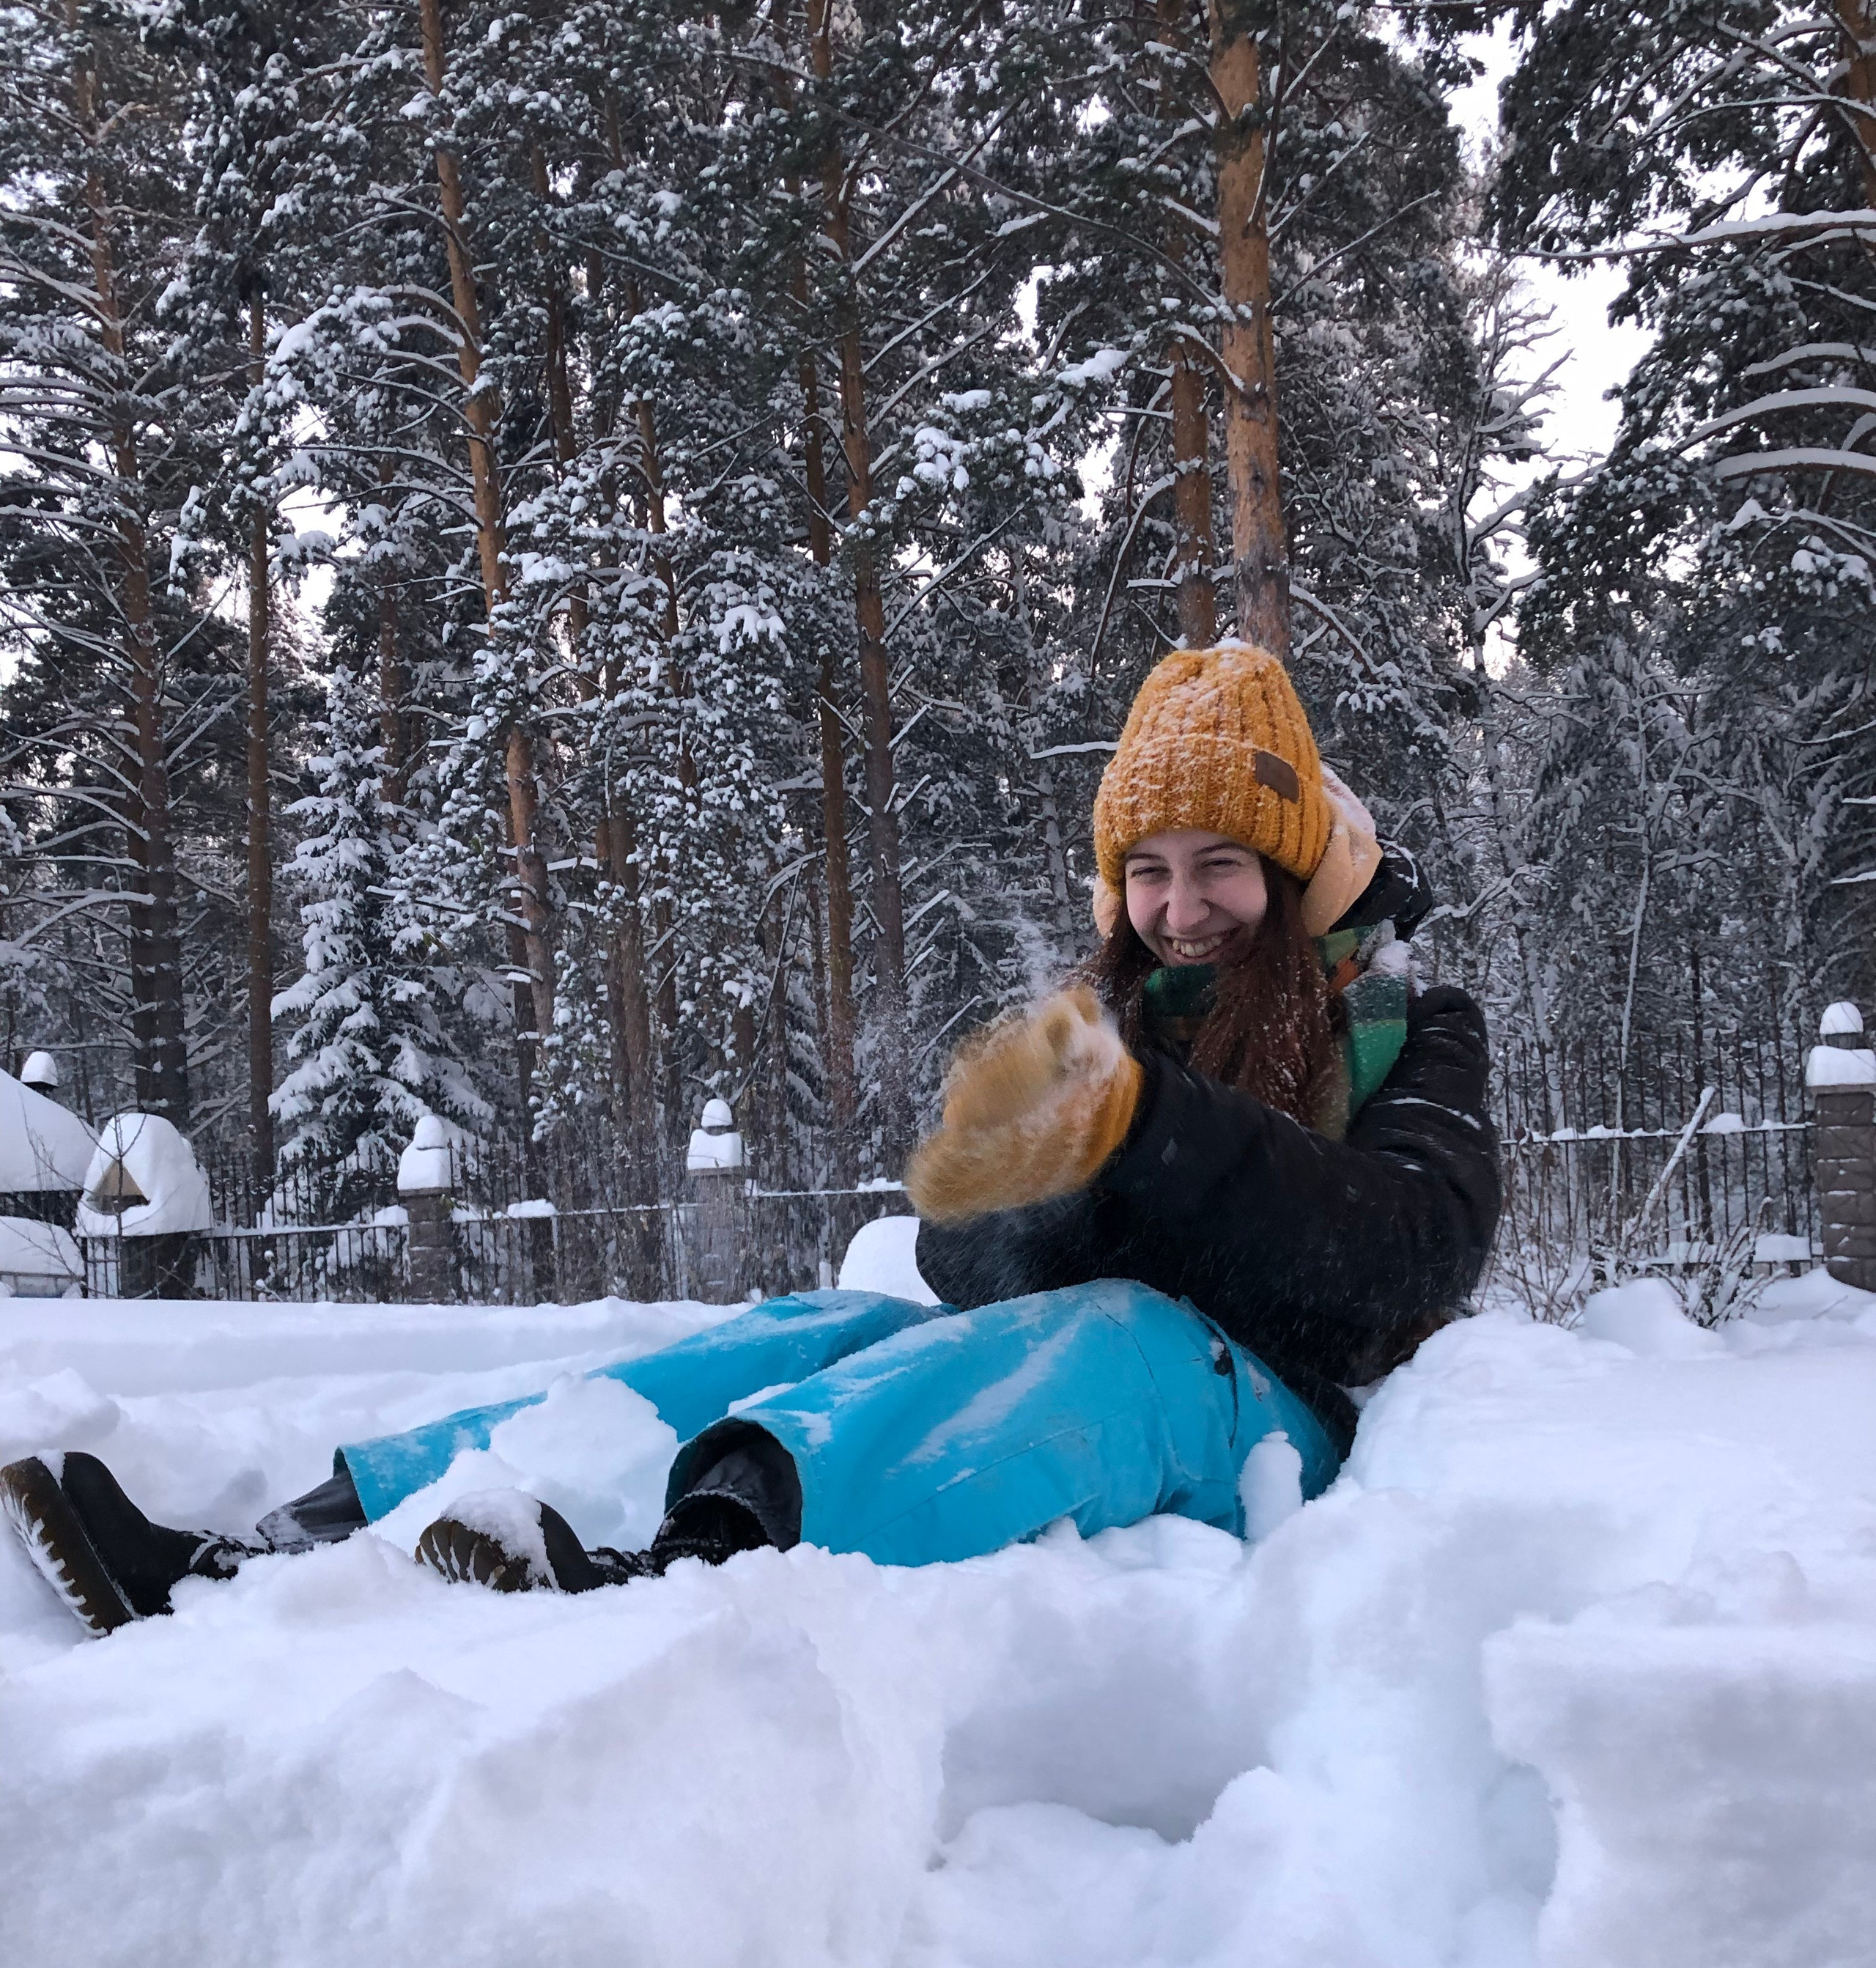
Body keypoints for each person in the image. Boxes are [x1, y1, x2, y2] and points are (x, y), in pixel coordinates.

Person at [3, 645, 1499, 1639]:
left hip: (1283, 1422)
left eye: (1219, 867)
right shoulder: (1097, 1026)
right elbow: (959, 1267)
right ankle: (288, 1549)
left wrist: (1158, 1136)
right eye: (1150, 873)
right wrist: (1048, 1181)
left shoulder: (1409, 1029)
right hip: (1118, 1357)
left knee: (1116, 1331)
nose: (1181, 909)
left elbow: (1406, 1250)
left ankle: (690, 1577)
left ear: (1289, 869)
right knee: (825, 1319)